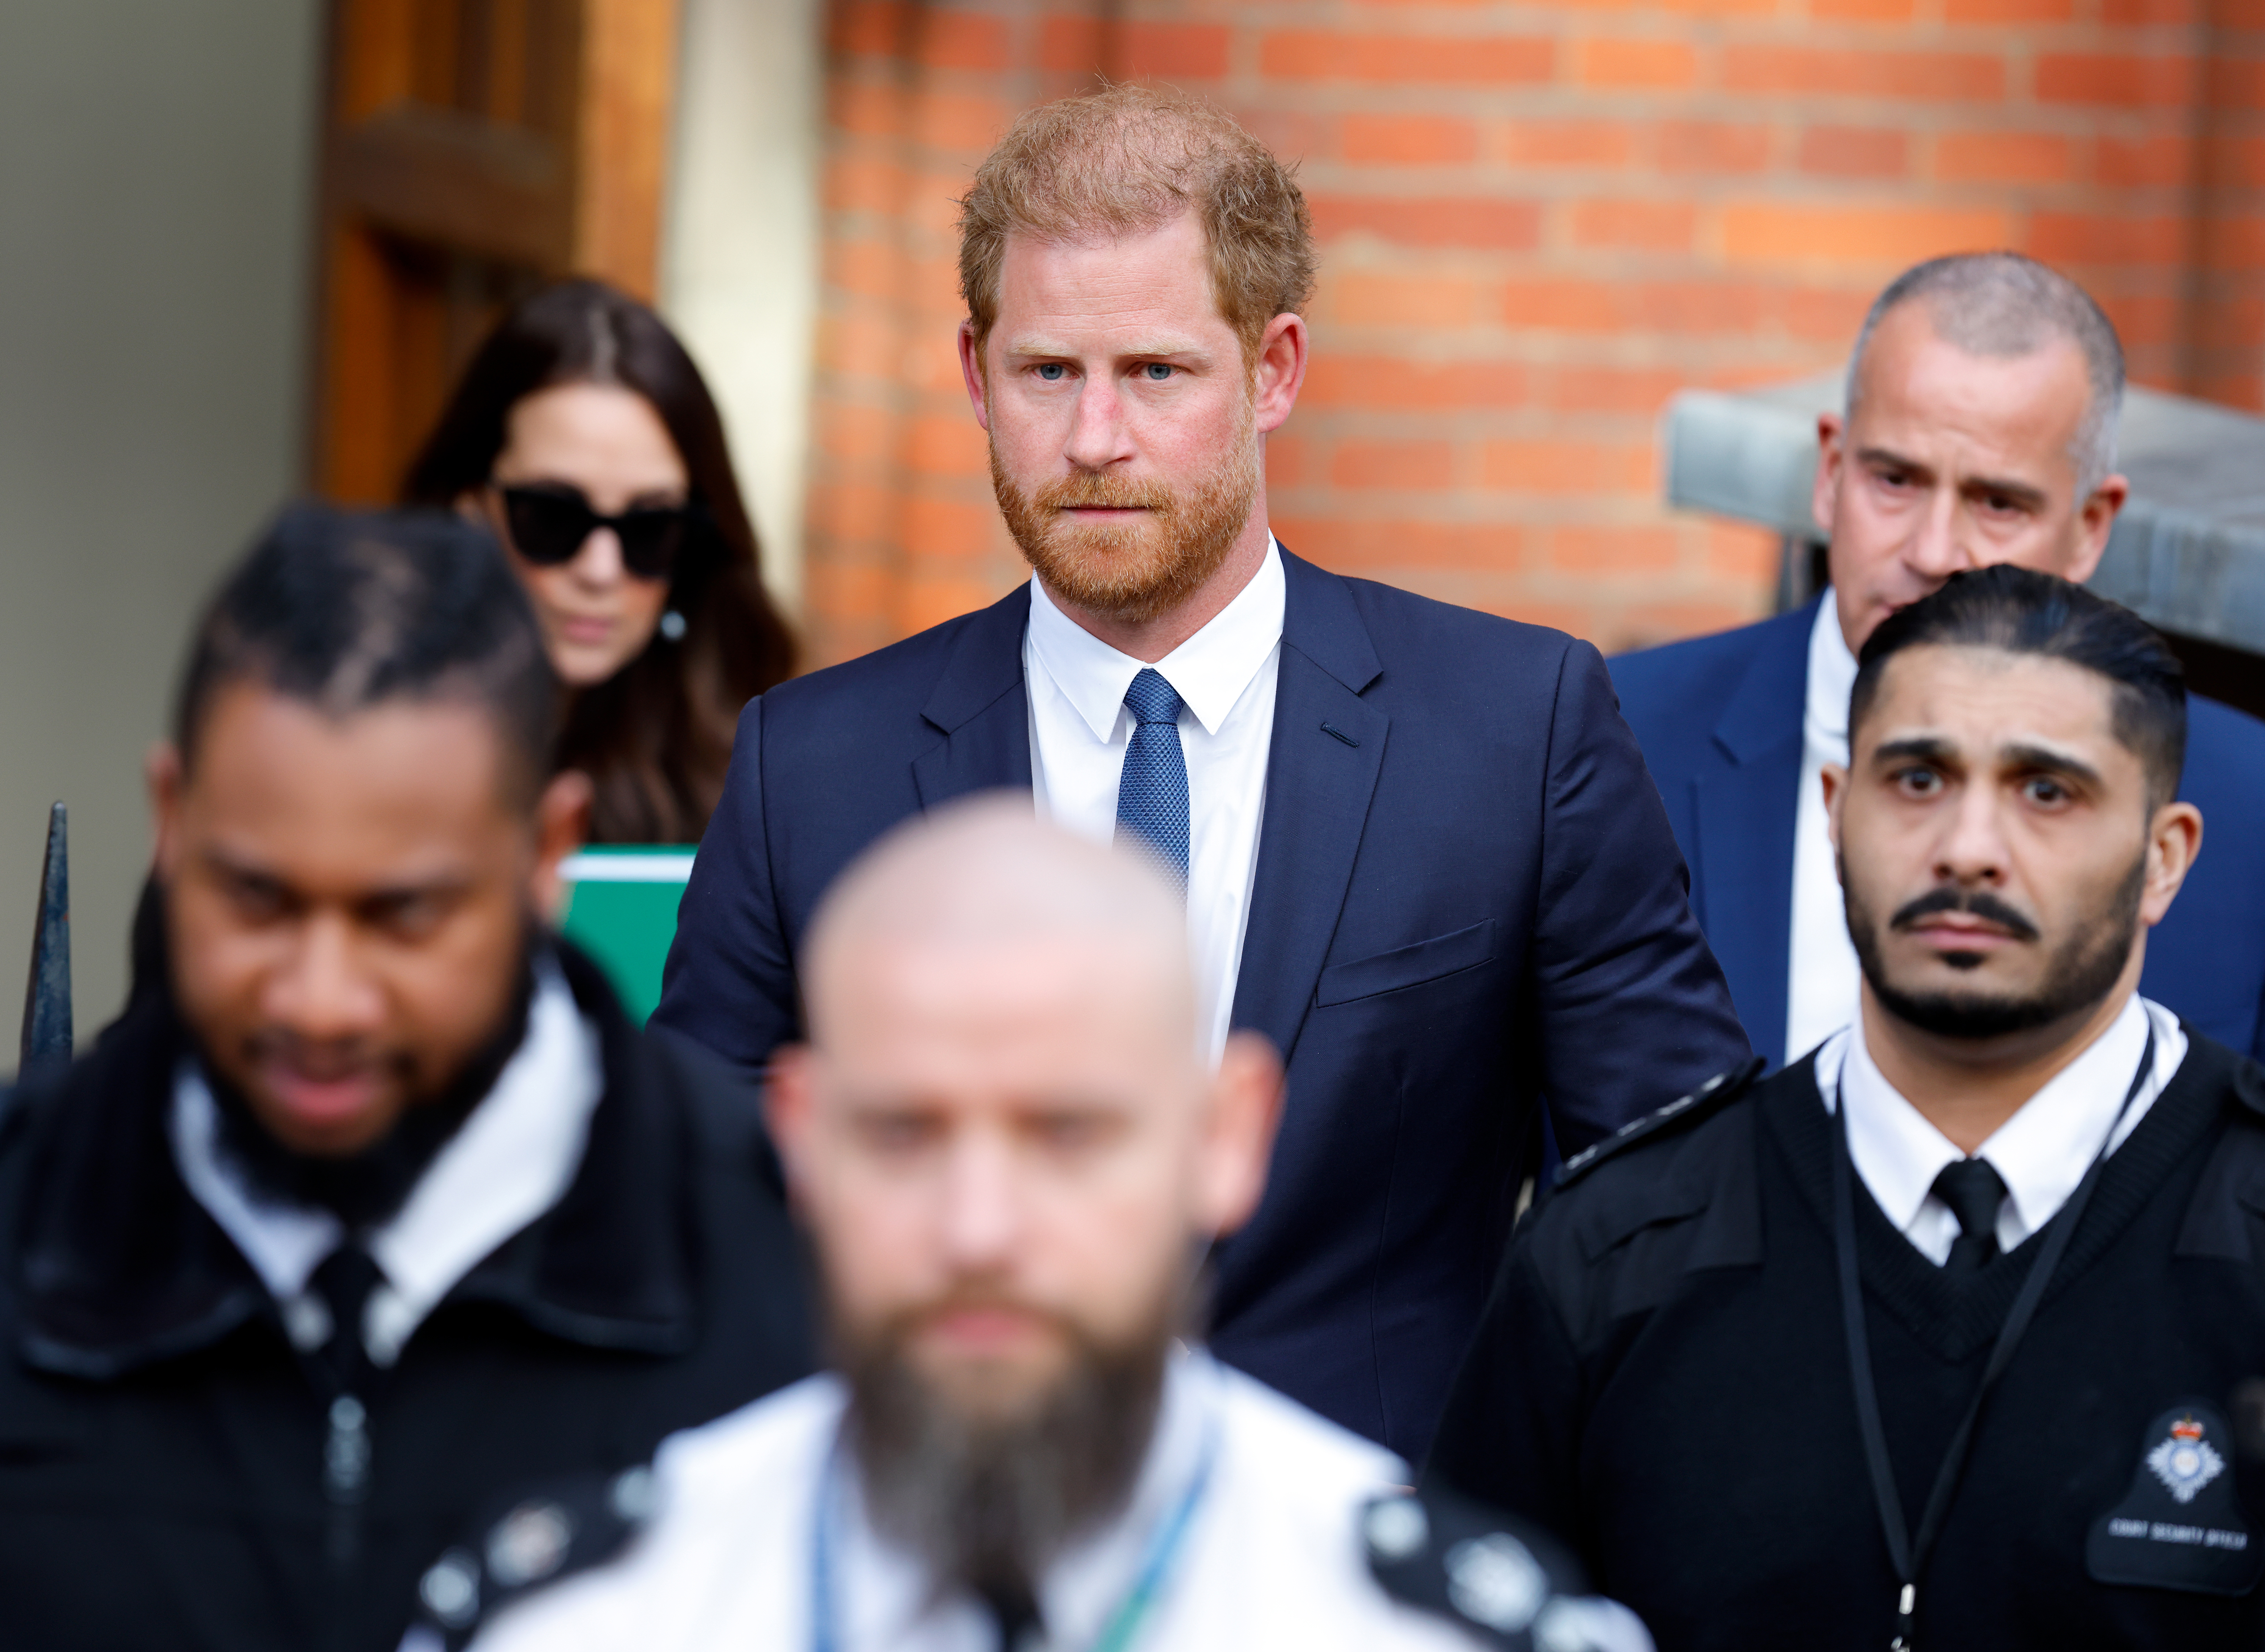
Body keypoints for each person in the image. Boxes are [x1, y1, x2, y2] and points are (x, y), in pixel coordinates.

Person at [653, 86, 1748, 1461]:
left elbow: (1678, 1213)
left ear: (1273, 368)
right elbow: (687, 1214)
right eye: (1047, 372)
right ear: (974, 369)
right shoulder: (809, 764)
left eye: (1155, 374)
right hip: (939, 1536)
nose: (1095, 437)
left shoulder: (1511, 727)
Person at [434, 801, 1651, 1652]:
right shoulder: (583, 1618)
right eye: (904, 1134)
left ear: (1224, 1138)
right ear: (798, 1138)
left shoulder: (1431, 1631)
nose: (979, 1228)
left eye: (1067, 1135)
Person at [0, 506, 814, 1652]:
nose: (321, 1000)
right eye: (257, 899)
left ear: (546, 855)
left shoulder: (787, 1284)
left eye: (406, 915)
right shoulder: (20, 1219)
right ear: (171, 822)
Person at [1426, 565, 2265, 1649]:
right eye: (1918, 779)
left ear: (2165, 859)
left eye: (2046, 791)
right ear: (1836, 812)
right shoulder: (1615, 1256)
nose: (1968, 846)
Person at [1612, 252, 2265, 1070]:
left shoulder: (2249, 803)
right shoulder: (1614, 743)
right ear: (1829, 472)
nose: (1932, 551)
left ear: (2092, 525)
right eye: (1894, 480)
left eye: (1997, 502)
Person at [403, 278, 796, 843]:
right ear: (471, 506)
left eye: (649, 528)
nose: (600, 569)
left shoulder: (756, 773)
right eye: (552, 515)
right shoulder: (353, 725)